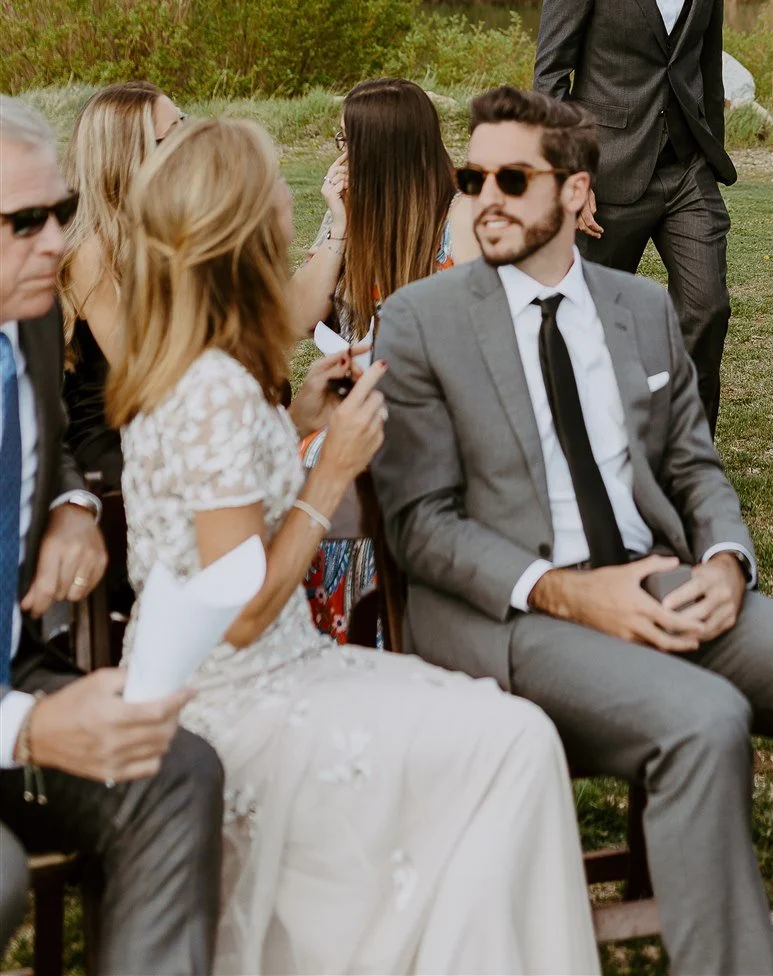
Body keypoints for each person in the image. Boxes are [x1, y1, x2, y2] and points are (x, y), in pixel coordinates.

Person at [372, 85, 773, 976]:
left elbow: (694, 466)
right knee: (705, 720)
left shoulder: (640, 307)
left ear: (576, 192)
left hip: (655, 578)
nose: (485, 200)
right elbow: (418, 528)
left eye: (513, 178)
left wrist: (726, 560)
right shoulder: (420, 320)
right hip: (512, 614)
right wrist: (570, 595)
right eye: (473, 179)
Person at [109, 115, 597, 976]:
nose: (289, 199)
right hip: (237, 695)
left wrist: (296, 418)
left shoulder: (200, 360)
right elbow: (240, 613)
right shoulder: (212, 389)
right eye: (273, 188)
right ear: (241, 222)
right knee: (513, 745)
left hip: (280, 667)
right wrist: (330, 471)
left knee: (506, 736)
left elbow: (221, 510)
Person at [0, 96, 222, 973]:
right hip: (14, 713)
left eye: (60, 212)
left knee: (177, 772)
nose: (56, 242)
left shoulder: (30, 313)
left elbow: (48, 438)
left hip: (17, 669)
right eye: (24, 222)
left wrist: (72, 506)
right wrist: (27, 730)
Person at [535, 0, 735, 430]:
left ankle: (686, 450)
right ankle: (577, 442)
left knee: (707, 308)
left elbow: (705, 62)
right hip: (608, 173)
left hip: (687, 172)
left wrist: (711, 149)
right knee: (584, 319)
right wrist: (572, 179)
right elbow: (550, 79)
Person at [287, 78, 477, 640]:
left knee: (364, 457)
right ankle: (327, 631)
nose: (340, 157)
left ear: (381, 149)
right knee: (305, 457)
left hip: (433, 411)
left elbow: (480, 334)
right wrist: (339, 227)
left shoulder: (461, 217)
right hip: (352, 404)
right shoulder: (351, 211)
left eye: (346, 142)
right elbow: (297, 317)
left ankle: (380, 629)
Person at [59, 81, 186, 487]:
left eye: (186, 125)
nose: (189, 145)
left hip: (162, 410)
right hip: (111, 434)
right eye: (173, 136)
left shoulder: (158, 226)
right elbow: (141, 369)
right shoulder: (90, 252)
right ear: (130, 156)